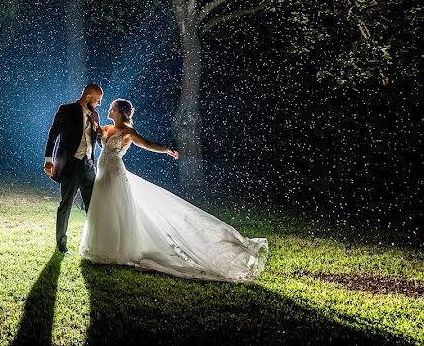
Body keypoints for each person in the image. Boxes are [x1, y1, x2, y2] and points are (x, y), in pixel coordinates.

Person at [79, 98, 268, 282]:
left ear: (121, 112)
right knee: (103, 208)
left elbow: (147, 144)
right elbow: (96, 137)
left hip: (115, 173)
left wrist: (166, 150)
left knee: (115, 209)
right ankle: (101, 248)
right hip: (102, 174)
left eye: (112, 108)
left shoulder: (128, 131)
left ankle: (115, 251)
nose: (109, 110)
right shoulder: (106, 128)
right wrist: (94, 122)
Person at [44, 83, 103, 254]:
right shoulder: (66, 110)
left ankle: (95, 244)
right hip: (71, 166)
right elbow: (52, 135)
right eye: (98, 100)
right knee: (66, 205)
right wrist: (48, 160)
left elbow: (97, 139)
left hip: (89, 167)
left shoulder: (95, 115)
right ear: (88, 97)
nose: (99, 103)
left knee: (93, 206)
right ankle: (62, 245)